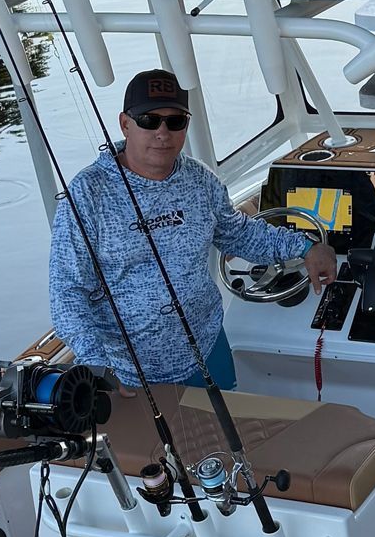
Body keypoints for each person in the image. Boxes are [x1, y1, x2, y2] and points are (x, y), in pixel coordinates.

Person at [48, 69, 337, 392]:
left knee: (226, 426)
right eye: (148, 120)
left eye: (175, 121)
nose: (162, 132)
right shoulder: (87, 194)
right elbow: (67, 293)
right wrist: (97, 368)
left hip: (207, 345)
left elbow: (238, 233)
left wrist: (304, 247)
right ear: (125, 124)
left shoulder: (201, 179)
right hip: (127, 373)